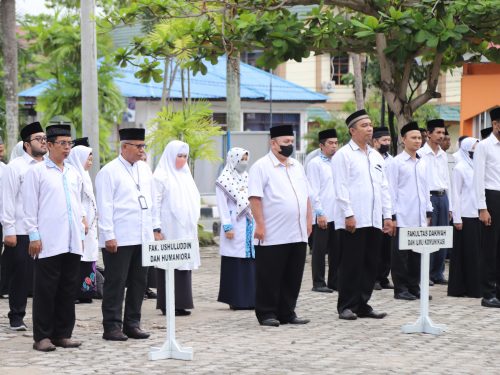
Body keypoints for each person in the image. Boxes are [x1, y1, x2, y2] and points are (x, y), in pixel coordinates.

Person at [23, 124, 84, 352]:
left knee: (68, 289)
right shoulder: (37, 172)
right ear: (49, 145)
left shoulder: (73, 172)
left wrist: (82, 225)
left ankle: (62, 334)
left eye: (70, 143)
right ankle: (42, 337)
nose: (67, 148)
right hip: (48, 241)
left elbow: (78, 204)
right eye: (62, 143)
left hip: (71, 240)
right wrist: (34, 235)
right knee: (46, 290)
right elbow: (29, 206)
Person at [331, 109, 393, 320]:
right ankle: (346, 305)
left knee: (370, 263)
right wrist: (348, 214)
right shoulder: (343, 155)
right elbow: (340, 187)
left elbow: (384, 187)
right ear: (352, 130)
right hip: (354, 219)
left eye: (370, 125)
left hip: (374, 218)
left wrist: (388, 216)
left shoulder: (376, 156)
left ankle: (362, 303)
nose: (370, 129)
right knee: (351, 264)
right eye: (364, 126)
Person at [248, 124, 312, 327]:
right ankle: (267, 312)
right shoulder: (261, 166)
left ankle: (287, 312)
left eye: (292, 142)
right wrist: (259, 224)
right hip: (272, 233)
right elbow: (255, 198)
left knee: (293, 275)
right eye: (286, 142)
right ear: (273, 143)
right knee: (270, 275)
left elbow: (306, 196)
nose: (290, 145)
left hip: (298, 232)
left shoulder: (297, 166)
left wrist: (308, 221)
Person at [96, 127, 156, 341]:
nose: (142, 150)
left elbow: (152, 202)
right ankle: (112, 326)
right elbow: (104, 207)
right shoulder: (109, 172)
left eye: (143, 146)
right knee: (116, 282)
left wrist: (155, 229)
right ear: (124, 147)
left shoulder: (145, 170)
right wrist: (108, 235)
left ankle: (132, 323)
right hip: (119, 238)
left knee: (140, 282)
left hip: (142, 236)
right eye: (138, 146)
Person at [1, 122, 47, 331]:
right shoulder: (15, 167)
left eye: (45, 139)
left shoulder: (50, 166)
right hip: (21, 231)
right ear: (27, 144)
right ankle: (16, 317)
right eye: (39, 139)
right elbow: (8, 199)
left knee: (43, 276)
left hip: (45, 230)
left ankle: (44, 316)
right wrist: (9, 230)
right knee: (20, 274)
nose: (43, 142)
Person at [153, 140, 201, 317]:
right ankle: (167, 304)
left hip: (185, 228)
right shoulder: (161, 176)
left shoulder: (185, 175)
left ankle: (181, 302)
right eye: (179, 156)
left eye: (184, 156)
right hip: (168, 228)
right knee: (168, 263)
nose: (182, 160)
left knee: (183, 263)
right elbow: (155, 203)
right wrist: (156, 227)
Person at [386, 122, 432, 301]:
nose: (417, 141)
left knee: (416, 254)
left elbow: (425, 188)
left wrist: (428, 212)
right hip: (403, 216)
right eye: (413, 138)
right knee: (400, 255)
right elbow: (391, 190)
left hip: (419, 216)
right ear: (403, 140)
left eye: (420, 138)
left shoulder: (422, 162)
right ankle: (401, 288)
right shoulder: (396, 163)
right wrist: (393, 216)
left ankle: (414, 287)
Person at [216, 147, 255, 309]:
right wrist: (227, 227)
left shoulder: (247, 177)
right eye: (241, 159)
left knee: (249, 262)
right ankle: (236, 300)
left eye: (246, 159)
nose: (244, 163)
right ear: (233, 160)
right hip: (234, 224)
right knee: (235, 262)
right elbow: (222, 206)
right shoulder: (224, 180)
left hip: (249, 225)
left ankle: (250, 299)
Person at [419, 119, 452, 285]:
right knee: (429, 236)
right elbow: (421, 181)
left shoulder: (444, 155)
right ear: (428, 134)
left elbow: (447, 180)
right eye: (437, 132)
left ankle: (438, 273)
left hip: (443, 196)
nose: (441, 136)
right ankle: (426, 272)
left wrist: (450, 206)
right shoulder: (421, 154)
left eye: (443, 133)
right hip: (429, 196)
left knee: (442, 235)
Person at [306, 128, 339, 293]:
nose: (334, 146)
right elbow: (313, 191)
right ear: (321, 146)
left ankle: (334, 281)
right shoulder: (315, 164)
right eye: (330, 143)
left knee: (336, 250)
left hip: (337, 215)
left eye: (336, 143)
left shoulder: (338, 162)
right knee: (319, 251)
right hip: (322, 214)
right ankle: (318, 283)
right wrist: (319, 213)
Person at [473, 107, 500, 308]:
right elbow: (478, 179)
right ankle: (488, 293)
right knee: (490, 247)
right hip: (491, 198)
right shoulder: (484, 146)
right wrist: (482, 208)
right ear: (495, 124)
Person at [449, 137, 481, 298]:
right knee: (465, 253)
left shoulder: (480, 167)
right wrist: (457, 218)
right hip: (465, 216)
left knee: (476, 254)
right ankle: (460, 288)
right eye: (473, 149)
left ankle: (476, 287)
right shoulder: (460, 168)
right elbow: (455, 194)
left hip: (479, 215)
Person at [67, 145, 98, 303]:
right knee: (80, 256)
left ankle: (87, 293)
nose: (90, 160)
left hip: (90, 225)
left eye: (92, 157)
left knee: (89, 256)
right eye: (88, 157)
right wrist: (82, 219)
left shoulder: (85, 175)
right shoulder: (74, 176)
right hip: (80, 223)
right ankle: (77, 292)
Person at [371, 127, 394, 291]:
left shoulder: (392, 160)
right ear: (375, 142)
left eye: (388, 141)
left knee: (387, 246)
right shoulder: (370, 158)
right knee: (376, 246)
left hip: (388, 207)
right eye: (383, 141)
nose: (387, 144)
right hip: (374, 208)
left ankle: (384, 277)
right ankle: (374, 278)